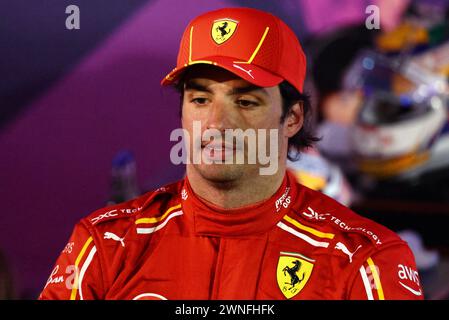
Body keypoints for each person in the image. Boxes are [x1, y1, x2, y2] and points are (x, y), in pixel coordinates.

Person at [39, 7, 423, 300]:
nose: (217, 122)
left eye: (245, 100)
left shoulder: (365, 261)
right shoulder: (106, 245)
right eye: (201, 98)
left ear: (292, 118)